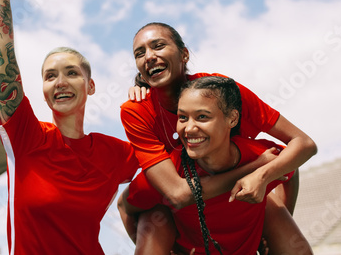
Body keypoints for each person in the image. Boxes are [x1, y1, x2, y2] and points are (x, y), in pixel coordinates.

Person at [0, 0, 139, 254]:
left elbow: (176, 164)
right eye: (50, 76)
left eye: (71, 73)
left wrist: (148, 97)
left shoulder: (116, 154)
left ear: (91, 85)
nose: (60, 82)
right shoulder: (26, 136)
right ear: (42, 90)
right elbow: (4, 52)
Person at [118, 22, 317, 254]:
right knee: (155, 217)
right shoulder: (137, 110)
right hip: (181, 209)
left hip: (237, 202)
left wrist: (262, 181)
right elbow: (175, 194)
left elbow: (300, 148)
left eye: (158, 46)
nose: (149, 57)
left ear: (184, 54)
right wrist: (256, 167)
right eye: (139, 53)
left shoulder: (222, 92)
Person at [120, 76, 299, 254]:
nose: (189, 128)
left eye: (202, 117)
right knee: (153, 219)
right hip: (190, 246)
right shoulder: (171, 174)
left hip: (245, 244)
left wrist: (272, 224)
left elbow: (291, 166)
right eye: (182, 117)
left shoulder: (260, 155)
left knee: (297, 247)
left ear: (232, 119)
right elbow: (124, 205)